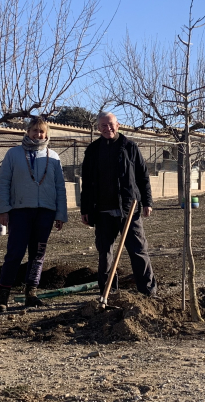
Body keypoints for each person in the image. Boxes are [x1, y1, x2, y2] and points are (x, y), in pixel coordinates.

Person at [0, 118, 68, 312]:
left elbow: (60, 187)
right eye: (34, 130)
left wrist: (61, 214)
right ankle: (3, 296)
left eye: (42, 131)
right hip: (20, 211)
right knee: (15, 253)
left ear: (47, 134)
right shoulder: (13, 154)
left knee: (38, 254)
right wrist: (3, 209)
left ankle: (31, 294)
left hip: (46, 212)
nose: (38, 135)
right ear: (27, 132)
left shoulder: (53, 156)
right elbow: (3, 183)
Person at [81, 112, 157, 297]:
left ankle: (148, 292)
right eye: (103, 126)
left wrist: (147, 201)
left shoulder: (129, 147)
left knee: (138, 251)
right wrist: (86, 209)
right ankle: (108, 293)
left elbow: (142, 176)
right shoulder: (92, 150)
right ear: (98, 128)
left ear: (118, 125)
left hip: (129, 209)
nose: (108, 129)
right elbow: (87, 182)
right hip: (103, 211)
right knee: (105, 254)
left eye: (111, 124)